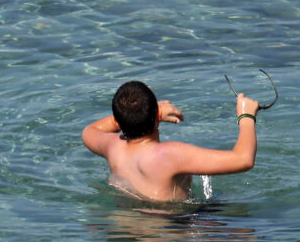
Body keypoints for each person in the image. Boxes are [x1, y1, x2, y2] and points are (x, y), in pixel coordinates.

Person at [82, 79, 259, 202]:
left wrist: (131, 115)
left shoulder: (113, 147)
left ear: (119, 122)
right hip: (174, 228)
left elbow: (89, 130)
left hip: (128, 224)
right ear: (157, 116)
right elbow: (243, 159)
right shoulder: (168, 155)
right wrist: (246, 116)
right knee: (246, 233)